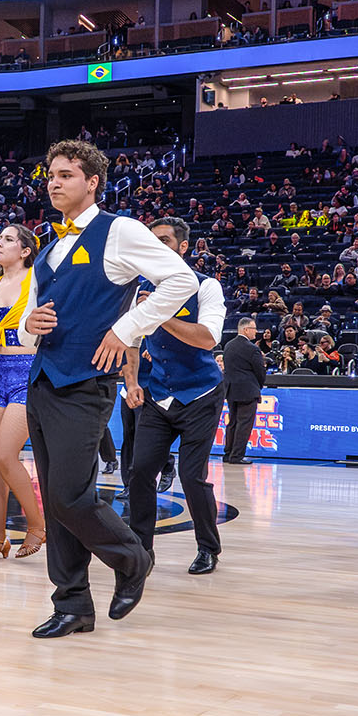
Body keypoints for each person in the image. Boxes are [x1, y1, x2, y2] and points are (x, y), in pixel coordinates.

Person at [20, 139, 196, 639]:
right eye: (50, 174)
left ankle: (133, 558)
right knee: (57, 502)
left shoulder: (119, 230)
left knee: (70, 496)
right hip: (43, 380)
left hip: (86, 383)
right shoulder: (49, 246)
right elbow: (31, 315)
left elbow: (180, 281)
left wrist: (127, 329)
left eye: (66, 175)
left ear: (92, 182)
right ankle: (72, 603)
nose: (54, 182)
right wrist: (30, 322)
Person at [124, 218, 227, 575]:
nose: (158, 246)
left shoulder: (205, 287)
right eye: (153, 241)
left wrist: (159, 311)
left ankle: (207, 548)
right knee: (139, 473)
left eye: (165, 240)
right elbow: (131, 341)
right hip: (158, 393)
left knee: (191, 475)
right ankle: (140, 549)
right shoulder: (140, 290)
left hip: (202, 394)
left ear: (184, 247)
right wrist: (132, 381)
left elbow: (207, 338)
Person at [0, 224, 47, 561]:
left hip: (28, 371)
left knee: (4, 454)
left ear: (26, 250)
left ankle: (38, 525)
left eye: (8, 240)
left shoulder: (38, 281)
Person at [220, 316, 266, 463]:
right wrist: (257, 386)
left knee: (232, 422)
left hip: (231, 389)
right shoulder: (252, 349)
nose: (256, 332)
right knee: (244, 424)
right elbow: (260, 372)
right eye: (254, 329)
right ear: (246, 330)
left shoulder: (228, 345)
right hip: (248, 390)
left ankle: (227, 454)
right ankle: (237, 456)